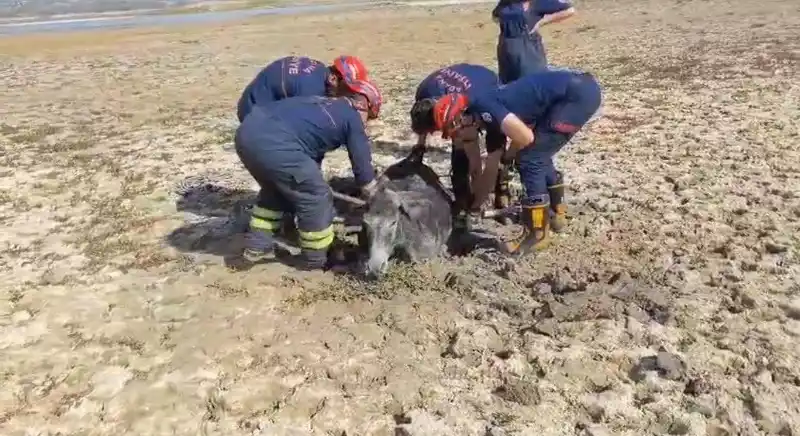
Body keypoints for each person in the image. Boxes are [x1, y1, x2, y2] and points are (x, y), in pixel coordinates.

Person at [427, 69, 602, 255]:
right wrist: (510, 157)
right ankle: (557, 213)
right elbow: (524, 128)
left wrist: (514, 158)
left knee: (531, 159)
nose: (458, 139)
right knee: (538, 153)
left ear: (461, 120)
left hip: (576, 97)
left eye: (455, 134)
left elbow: (525, 138)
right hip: (578, 91)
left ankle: (537, 233)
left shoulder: (486, 109)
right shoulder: (482, 107)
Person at [232, 80, 383, 271]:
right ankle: (316, 258)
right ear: (365, 106)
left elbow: (309, 151)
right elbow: (364, 175)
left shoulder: (320, 104)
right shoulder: (352, 118)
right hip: (275, 144)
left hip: (247, 134)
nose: (366, 124)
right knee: (316, 196)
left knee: (276, 190)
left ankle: (256, 245)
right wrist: (378, 198)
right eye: (369, 118)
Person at [408, 63, 511, 233]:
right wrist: (420, 145)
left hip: (487, 87)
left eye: (437, 130)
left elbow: (475, 162)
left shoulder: (472, 103)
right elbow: (423, 119)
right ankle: (462, 197)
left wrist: (478, 199)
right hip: (467, 80)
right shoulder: (424, 92)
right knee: (459, 144)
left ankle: (500, 194)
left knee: (494, 148)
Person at [236, 55, 370, 123]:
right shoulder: (312, 90)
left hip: (254, 101)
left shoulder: (319, 70)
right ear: (334, 79)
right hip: (252, 115)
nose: (345, 94)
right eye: (346, 89)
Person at [493, 0, 576, 84]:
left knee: (532, 81)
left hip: (527, 48)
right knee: (508, 83)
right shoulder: (505, 2)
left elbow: (569, 10)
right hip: (506, 48)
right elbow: (495, 16)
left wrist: (543, 21)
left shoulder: (537, 2)